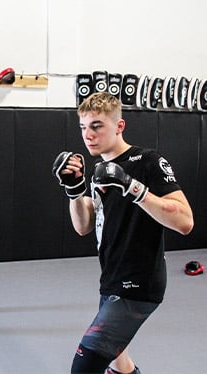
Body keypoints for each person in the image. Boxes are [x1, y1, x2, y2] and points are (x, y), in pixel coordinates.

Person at [53, 92, 194, 374]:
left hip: (138, 285)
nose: (87, 135)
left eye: (96, 126)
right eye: (83, 127)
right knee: (121, 366)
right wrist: (73, 190)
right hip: (111, 278)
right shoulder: (98, 171)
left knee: (84, 368)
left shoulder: (148, 162)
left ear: (119, 126)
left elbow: (185, 221)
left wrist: (133, 188)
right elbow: (83, 226)